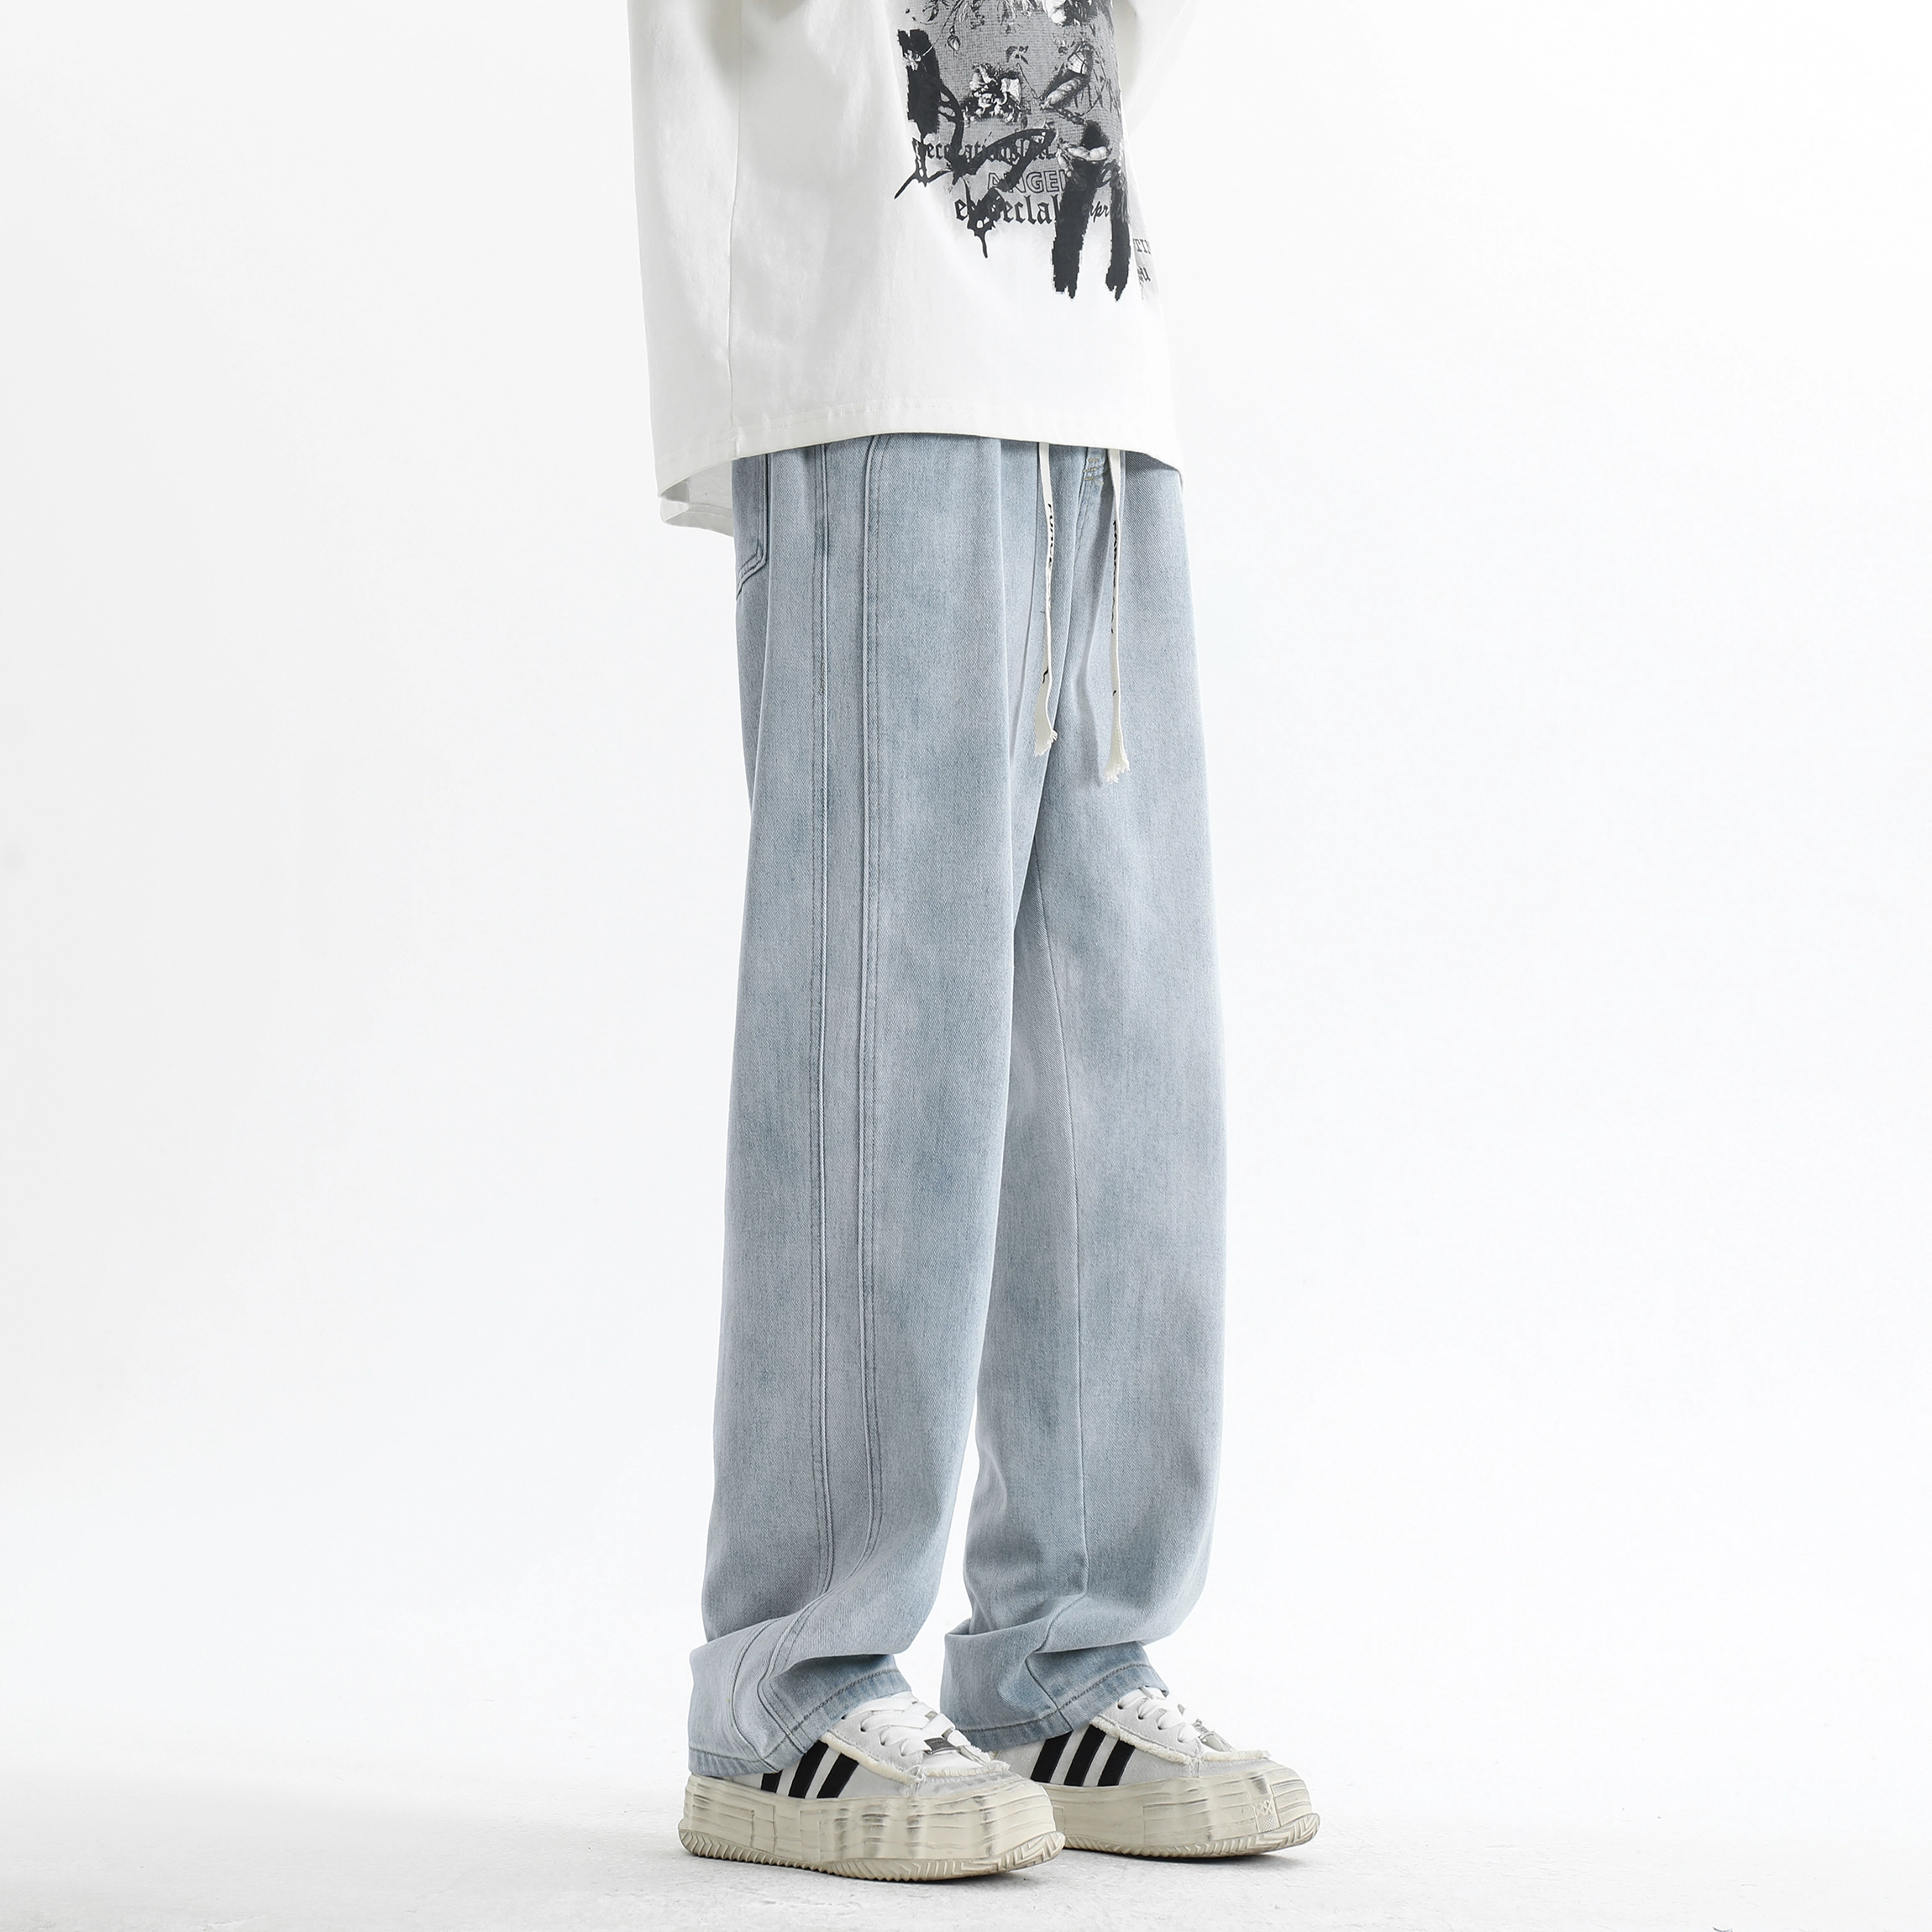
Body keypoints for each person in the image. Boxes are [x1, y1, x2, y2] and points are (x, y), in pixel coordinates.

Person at [625, 0, 1319, 1882]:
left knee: (1122, 1048)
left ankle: (1062, 1658)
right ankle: (788, 1683)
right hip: (872, 338)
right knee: (883, 1026)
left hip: (1094, 362)